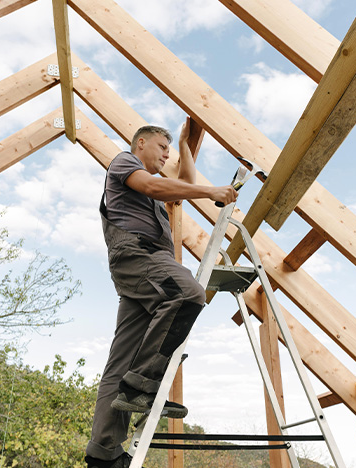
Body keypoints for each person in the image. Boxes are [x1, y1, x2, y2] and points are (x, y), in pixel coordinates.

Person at [85, 119, 238, 468]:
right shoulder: (125, 162)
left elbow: (181, 185)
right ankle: (144, 384)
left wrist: (185, 145)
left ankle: (103, 454)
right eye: (161, 147)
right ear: (140, 143)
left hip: (140, 274)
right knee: (188, 293)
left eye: (169, 150)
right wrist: (212, 192)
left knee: (120, 364)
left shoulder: (153, 188)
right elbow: (155, 187)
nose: (166, 154)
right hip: (139, 257)